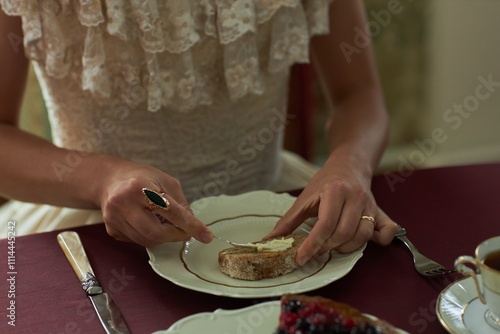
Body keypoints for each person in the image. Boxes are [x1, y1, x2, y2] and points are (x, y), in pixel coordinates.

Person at [0, 0, 397, 266]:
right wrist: (102, 178)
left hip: (274, 214)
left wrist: (351, 165)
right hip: (89, 237)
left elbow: (358, 95)